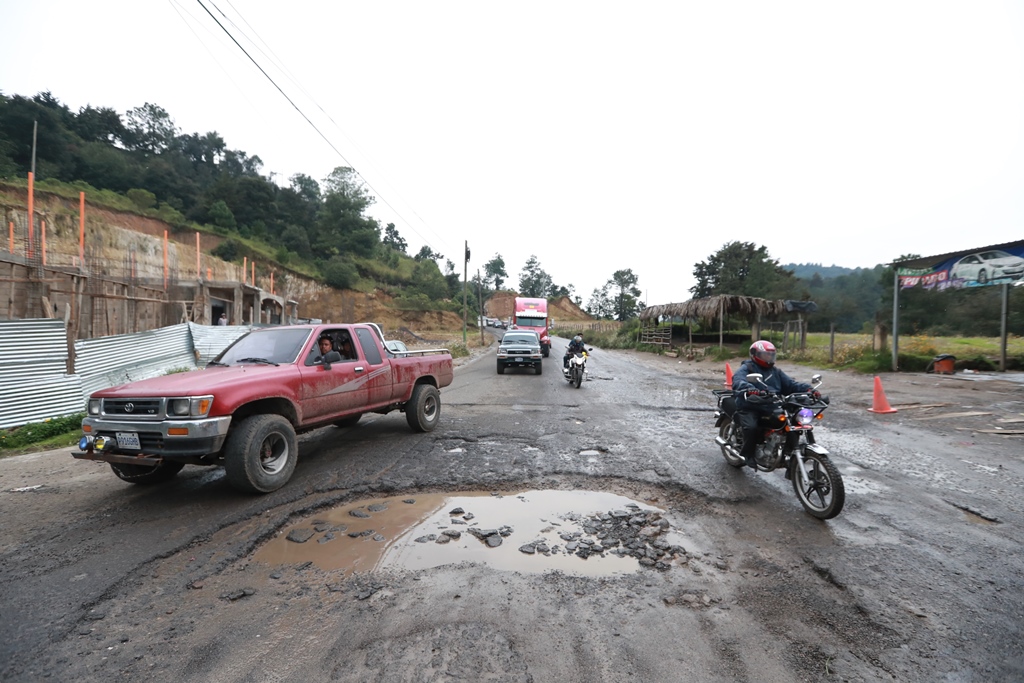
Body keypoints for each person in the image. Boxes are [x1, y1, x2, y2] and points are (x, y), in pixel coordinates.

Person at [732, 340, 818, 471]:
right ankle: (748, 454)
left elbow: (791, 385)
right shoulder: (747, 368)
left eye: (771, 355)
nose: (769, 358)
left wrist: (809, 390)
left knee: (794, 422)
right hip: (750, 405)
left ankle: (788, 453)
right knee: (751, 427)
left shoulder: (775, 371)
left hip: (771, 405)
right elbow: (738, 380)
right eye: (765, 355)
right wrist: (750, 389)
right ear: (755, 355)